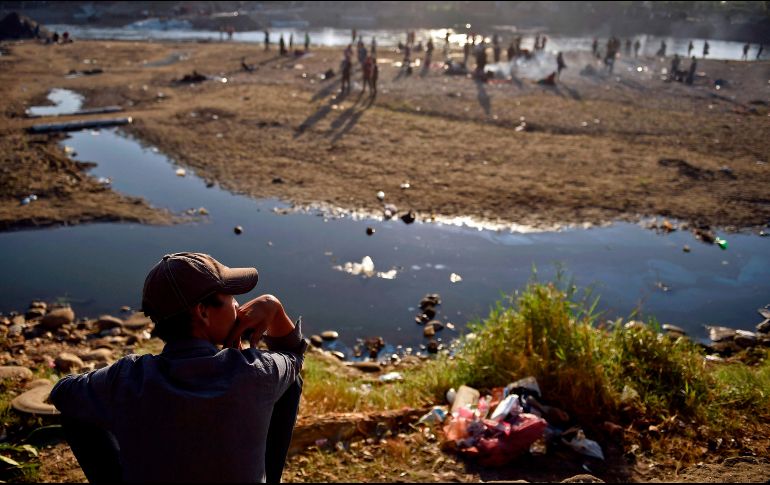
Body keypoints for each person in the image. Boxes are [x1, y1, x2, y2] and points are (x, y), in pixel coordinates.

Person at [50, 252, 306, 483]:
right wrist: (273, 307)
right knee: (290, 383)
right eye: (230, 295)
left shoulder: (129, 378)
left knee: (79, 407)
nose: (238, 305)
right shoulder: (256, 372)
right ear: (203, 312)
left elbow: (63, 393)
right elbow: (293, 354)